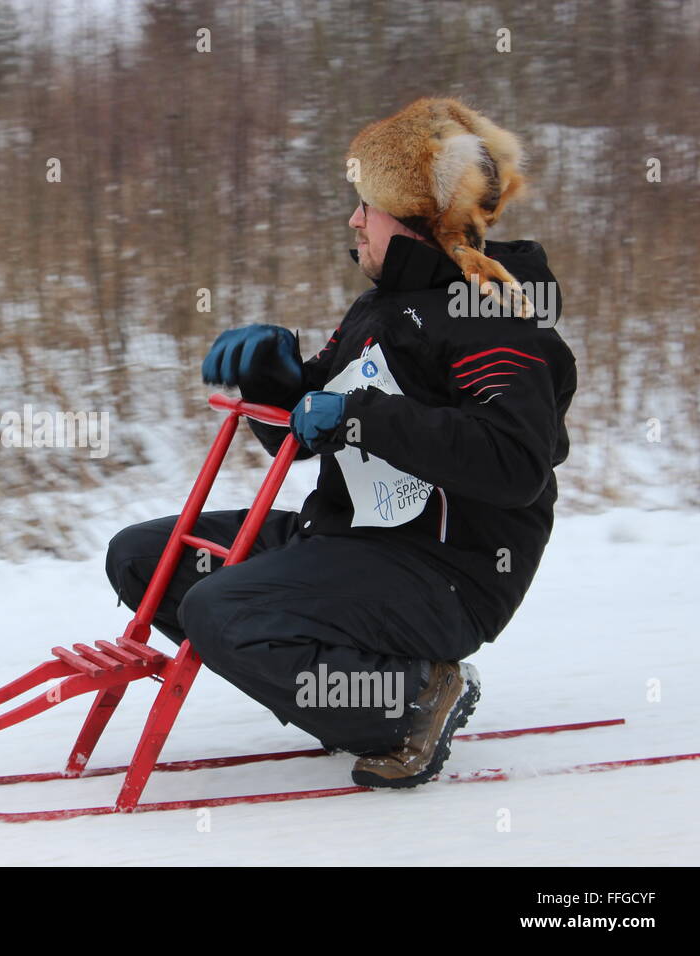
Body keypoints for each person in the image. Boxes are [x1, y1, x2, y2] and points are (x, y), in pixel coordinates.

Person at [105, 97, 577, 789]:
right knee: (145, 559)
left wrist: (359, 413)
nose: (355, 220)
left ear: (417, 220)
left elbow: (513, 464)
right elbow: (307, 434)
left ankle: (407, 702)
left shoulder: (492, 317)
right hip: (349, 541)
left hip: (444, 572)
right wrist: (276, 382)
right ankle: (352, 693)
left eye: (367, 205)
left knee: (221, 608)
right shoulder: (380, 307)